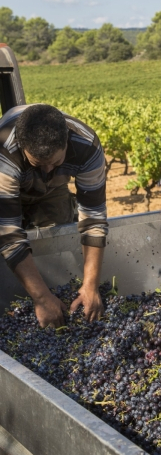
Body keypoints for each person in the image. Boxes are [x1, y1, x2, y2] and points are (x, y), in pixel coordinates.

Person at [0, 104, 108, 328]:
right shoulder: (5, 153)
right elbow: (9, 236)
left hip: (54, 190)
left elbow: (94, 220)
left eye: (57, 162)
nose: (48, 170)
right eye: (38, 163)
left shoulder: (87, 147)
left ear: (67, 141)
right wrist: (40, 298)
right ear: (22, 146)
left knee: (55, 242)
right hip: (8, 186)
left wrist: (91, 285)